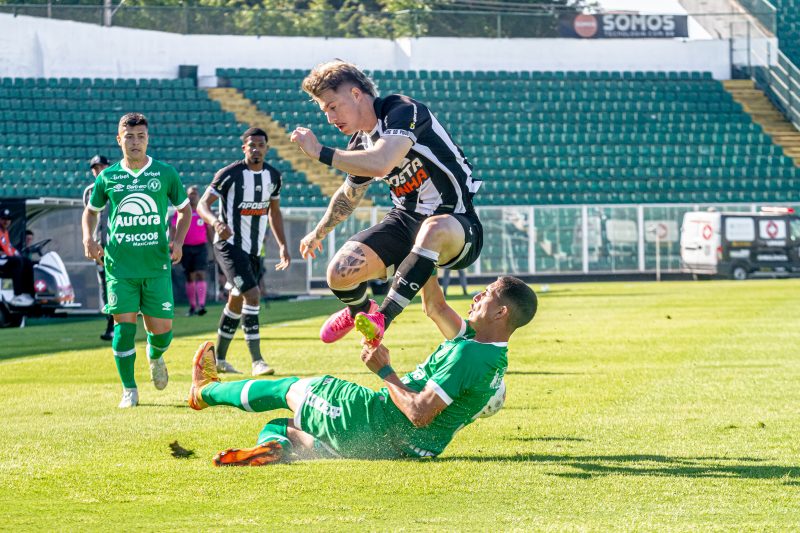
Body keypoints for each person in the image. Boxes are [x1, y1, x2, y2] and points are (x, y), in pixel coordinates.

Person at [186, 275, 537, 465]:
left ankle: (205, 393)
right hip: (398, 448)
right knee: (279, 427)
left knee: (290, 388)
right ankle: (276, 449)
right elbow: (435, 306)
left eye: (487, 294)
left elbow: (419, 413)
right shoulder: (486, 349)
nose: (477, 296)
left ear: (501, 313)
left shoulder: (471, 357)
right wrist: (423, 257)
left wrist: (385, 371)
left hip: (378, 420)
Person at [290, 60, 483, 348]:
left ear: (356, 94)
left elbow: (382, 163)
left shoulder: (402, 110)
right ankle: (361, 310)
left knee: (432, 231)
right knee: (341, 273)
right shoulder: (359, 144)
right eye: (324, 111)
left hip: (457, 221)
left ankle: (383, 317)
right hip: (406, 222)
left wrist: (319, 152)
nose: (330, 118)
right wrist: (318, 232)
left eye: (333, 106)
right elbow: (349, 194)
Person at [82, 113, 192, 408]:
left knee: (163, 331)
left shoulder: (165, 173)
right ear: (119, 140)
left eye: (140, 136)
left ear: (148, 139)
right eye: (129, 137)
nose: (135, 142)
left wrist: (178, 240)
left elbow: (185, 210)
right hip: (120, 264)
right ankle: (129, 390)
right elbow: (91, 211)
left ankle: (155, 355)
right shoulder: (108, 177)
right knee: (124, 328)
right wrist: (89, 238)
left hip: (156, 264)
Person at [196, 127, 290, 377]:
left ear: (267, 148)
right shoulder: (229, 174)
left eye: (260, 144)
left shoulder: (274, 176)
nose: (256, 149)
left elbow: (275, 212)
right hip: (228, 245)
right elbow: (202, 204)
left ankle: (220, 360)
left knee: (236, 299)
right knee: (253, 294)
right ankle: (257, 360)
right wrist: (216, 222)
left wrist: (282, 244)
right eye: (251, 145)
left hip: (254, 249)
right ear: (244, 148)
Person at [82, 154, 114, 341]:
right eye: (95, 168)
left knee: (119, 283)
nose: (98, 171)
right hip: (100, 246)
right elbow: (89, 217)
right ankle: (111, 323)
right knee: (105, 285)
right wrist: (90, 241)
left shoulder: (118, 187)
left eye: (101, 167)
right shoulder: (90, 191)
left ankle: (122, 323)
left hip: (118, 245)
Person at [170, 185, 212, 317]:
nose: (192, 196)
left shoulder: (202, 211)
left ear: (198, 196)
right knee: (190, 277)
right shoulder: (180, 212)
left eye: (195, 194)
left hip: (201, 247)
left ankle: (202, 305)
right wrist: (173, 244)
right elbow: (173, 228)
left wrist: (215, 245)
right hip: (186, 247)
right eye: (190, 194)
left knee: (200, 274)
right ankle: (193, 306)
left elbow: (209, 229)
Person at [0, 208, 35, 307]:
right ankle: (17, 294)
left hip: (6, 259)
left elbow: (9, 247)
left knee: (27, 262)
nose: (6, 221)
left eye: (8, 219)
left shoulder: (5, 232)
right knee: (17, 262)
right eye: (3, 219)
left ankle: (28, 293)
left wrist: (18, 254)